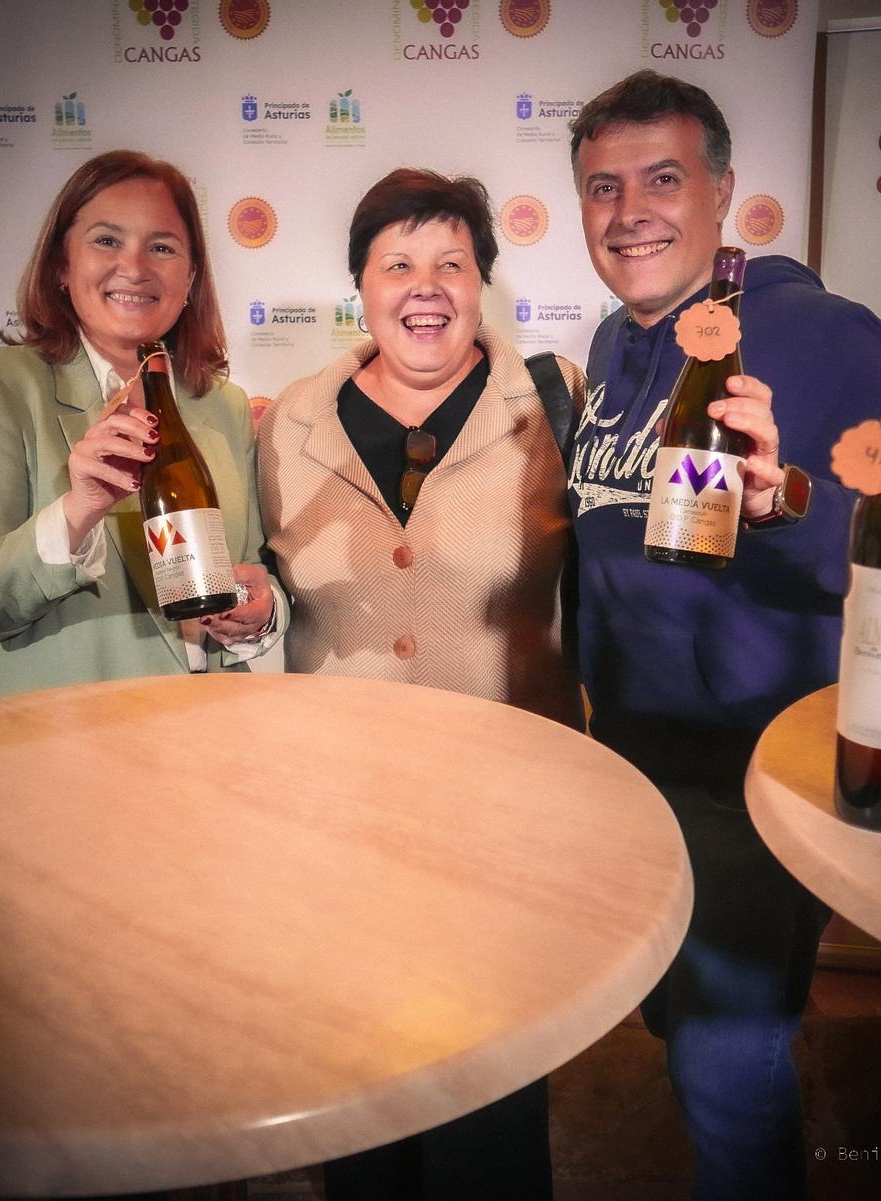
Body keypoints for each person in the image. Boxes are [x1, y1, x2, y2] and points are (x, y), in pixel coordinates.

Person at [567, 71, 881, 1200]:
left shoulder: (826, 334)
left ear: (723, 192)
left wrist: (782, 499)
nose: (630, 210)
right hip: (629, 761)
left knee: (724, 1058)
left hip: (751, 772)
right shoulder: (612, 345)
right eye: (602, 187)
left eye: (663, 178)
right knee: (676, 1023)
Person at [256, 167, 584, 1200]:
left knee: (490, 1111)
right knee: (360, 1102)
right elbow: (262, 597)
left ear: (482, 281)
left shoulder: (560, 400)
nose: (425, 284)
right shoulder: (283, 424)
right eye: (397, 261)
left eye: (452, 261)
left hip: (505, 827)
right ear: (360, 283)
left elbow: (666, 538)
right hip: (338, 829)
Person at [0, 150, 284, 703]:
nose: (135, 267)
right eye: (107, 240)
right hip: (62, 753)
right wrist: (78, 510)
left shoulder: (225, 406)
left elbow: (253, 568)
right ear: (61, 266)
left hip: (211, 742)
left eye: (162, 247)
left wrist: (261, 611)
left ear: (190, 278)